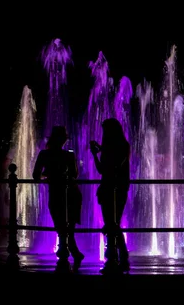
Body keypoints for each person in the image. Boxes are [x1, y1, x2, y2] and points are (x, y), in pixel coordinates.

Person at [33, 126, 84, 271]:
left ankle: (68, 255)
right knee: (67, 227)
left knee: (61, 226)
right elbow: (74, 175)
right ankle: (73, 254)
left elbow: (36, 176)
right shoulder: (68, 155)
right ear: (63, 140)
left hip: (56, 192)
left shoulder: (44, 154)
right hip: (71, 192)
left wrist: (48, 176)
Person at [90, 117, 130, 273]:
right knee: (111, 224)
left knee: (112, 224)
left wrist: (102, 151)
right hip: (108, 188)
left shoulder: (121, 146)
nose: (104, 133)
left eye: (106, 130)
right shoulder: (114, 147)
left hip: (116, 189)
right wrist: (96, 154)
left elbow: (112, 167)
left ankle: (118, 257)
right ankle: (118, 257)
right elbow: (102, 170)